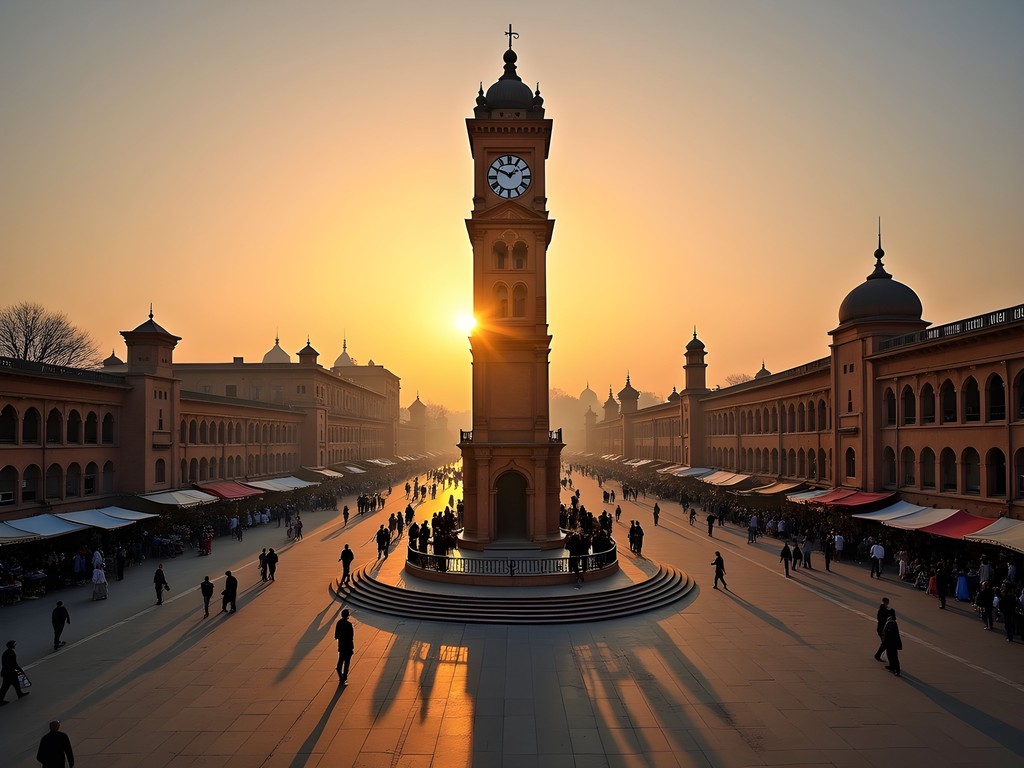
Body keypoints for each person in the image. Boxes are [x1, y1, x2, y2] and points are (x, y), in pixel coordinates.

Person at [0, 639, 29, 704]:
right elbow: (14, 663)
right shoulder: (11, 653)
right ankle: (0, 700)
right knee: (5, 687)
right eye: (14, 644)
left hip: (6, 672)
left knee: (15, 683)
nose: (15, 645)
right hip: (9, 673)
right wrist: (20, 669)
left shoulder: (6, 652)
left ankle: (19, 694)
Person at [335, 608, 354, 685]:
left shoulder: (338, 623)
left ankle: (340, 674)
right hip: (348, 647)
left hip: (342, 646)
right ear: (347, 616)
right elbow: (351, 637)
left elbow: (336, 636)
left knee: (340, 660)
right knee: (346, 663)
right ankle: (344, 678)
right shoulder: (349, 625)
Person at [883, 610, 903, 676]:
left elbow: (888, 633)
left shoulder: (890, 623)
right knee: (891, 656)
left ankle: (897, 670)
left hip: (891, 643)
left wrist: (885, 641)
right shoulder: (892, 622)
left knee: (893, 656)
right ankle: (892, 666)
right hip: (892, 643)